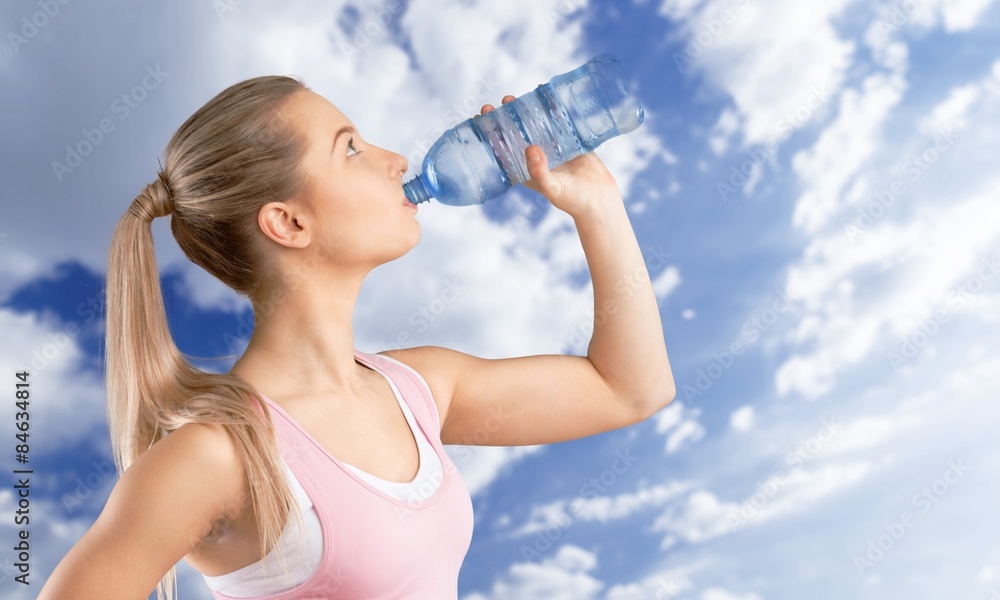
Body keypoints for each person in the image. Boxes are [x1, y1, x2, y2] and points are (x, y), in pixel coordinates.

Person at [38, 75, 675, 600]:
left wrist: (598, 207)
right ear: (287, 222)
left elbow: (630, 390)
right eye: (350, 149)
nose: (396, 160)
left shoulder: (419, 388)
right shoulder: (218, 455)